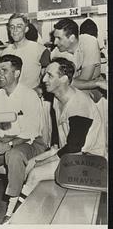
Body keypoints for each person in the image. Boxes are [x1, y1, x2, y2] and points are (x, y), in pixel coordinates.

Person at [0, 54, 47, 224]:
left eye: (4, 70)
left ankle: (12, 208)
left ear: (17, 73)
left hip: (30, 141)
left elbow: (31, 131)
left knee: (14, 155)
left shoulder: (29, 95)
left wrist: (9, 145)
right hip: (6, 139)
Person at [21, 57, 106, 198]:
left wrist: (44, 161)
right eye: (45, 74)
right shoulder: (57, 98)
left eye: (50, 75)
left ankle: (15, 217)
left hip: (90, 160)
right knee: (29, 164)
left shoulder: (79, 104)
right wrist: (51, 151)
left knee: (35, 173)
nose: (43, 80)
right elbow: (61, 136)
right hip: (70, 154)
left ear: (64, 79)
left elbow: (75, 147)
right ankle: (19, 211)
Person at [51, 18, 103, 101]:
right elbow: (55, 81)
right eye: (54, 38)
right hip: (71, 91)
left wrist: (64, 82)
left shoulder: (89, 41)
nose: (55, 42)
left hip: (92, 90)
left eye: (59, 38)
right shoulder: (55, 52)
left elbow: (85, 78)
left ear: (72, 38)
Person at [1, 13, 50, 90]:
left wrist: (39, 89)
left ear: (26, 29)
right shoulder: (4, 52)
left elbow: (48, 76)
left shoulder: (40, 50)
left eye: (19, 27)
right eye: (12, 27)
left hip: (31, 96)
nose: (15, 30)